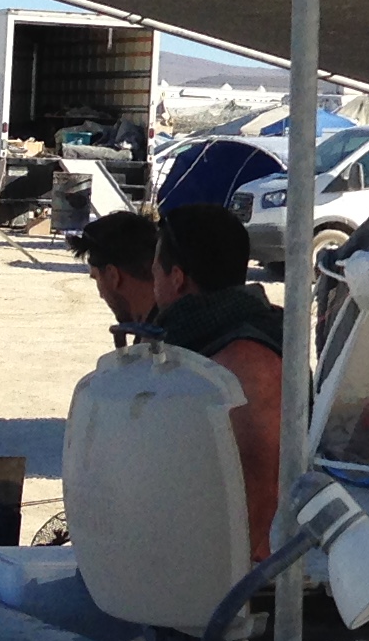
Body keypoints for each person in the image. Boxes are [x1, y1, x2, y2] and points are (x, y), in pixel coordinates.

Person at [145, 202, 287, 557]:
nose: (153, 280)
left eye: (156, 270)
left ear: (177, 277)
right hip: (236, 559)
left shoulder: (233, 361)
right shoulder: (247, 336)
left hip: (225, 570)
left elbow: (257, 490)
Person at [73, 209, 161, 335]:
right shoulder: (174, 318)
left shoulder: (160, 342)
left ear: (112, 275)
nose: (101, 295)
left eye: (97, 278)